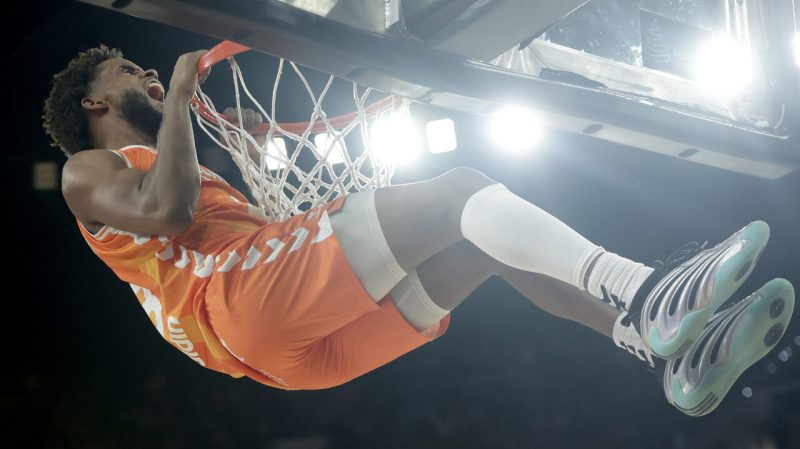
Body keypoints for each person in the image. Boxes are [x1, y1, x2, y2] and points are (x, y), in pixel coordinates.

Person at [43, 46, 795, 417]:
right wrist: (178, 93)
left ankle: (659, 350)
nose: (145, 74)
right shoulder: (87, 170)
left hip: (285, 354)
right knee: (459, 190)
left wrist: (219, 131)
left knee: (479, 244)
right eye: (126, 71)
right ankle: (647, 290)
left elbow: (187, 216)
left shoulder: (177, 174)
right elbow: (169, 212)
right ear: (92, 105)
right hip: (243, 303)